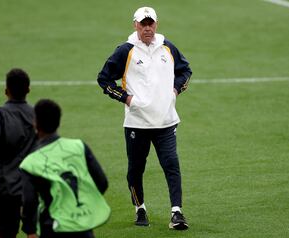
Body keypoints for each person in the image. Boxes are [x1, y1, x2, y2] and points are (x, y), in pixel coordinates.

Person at [97, 6, 192, 230]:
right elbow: (104, 79)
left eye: (151, 23)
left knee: (172, 165)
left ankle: (177, 212)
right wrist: (126, 99)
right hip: (137, 123)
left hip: (166, 121)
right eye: (143, 24)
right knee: (136, 169)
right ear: (135, 25)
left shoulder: (167, 47)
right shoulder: (126, 51)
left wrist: (175, 91)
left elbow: (185, 71)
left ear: (156, 25)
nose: (147, 28)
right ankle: (140, 208)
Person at [20, 99, 111, 238]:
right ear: (58, 122)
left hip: (51, 227)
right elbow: (102, 183)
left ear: (35, 123)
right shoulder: (79, 146)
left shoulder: (30, 162)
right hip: (83, 227)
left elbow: (29, 202)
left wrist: (30, 230)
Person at [0, 68, 35, 238]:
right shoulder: (37, 115)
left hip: (7, 187)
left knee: (5, 233)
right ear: (28, 90)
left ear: (6, 91)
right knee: (33, 232)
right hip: (33, 186)